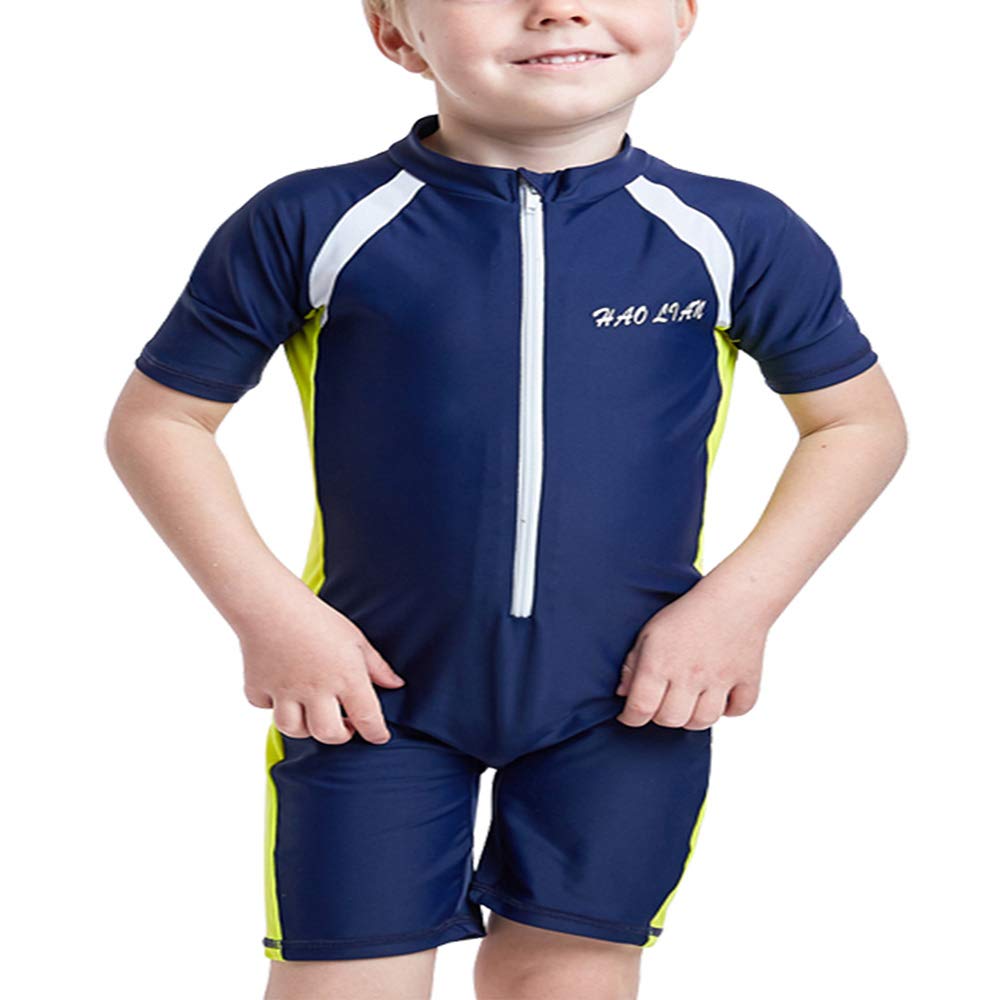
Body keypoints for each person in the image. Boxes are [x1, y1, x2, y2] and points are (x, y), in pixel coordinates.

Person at [105, 1, 907, 998]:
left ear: (683, 11)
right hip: (367, 694)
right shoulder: (312, 220)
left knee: (568, 979)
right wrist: (270, 617)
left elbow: (857, 425)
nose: (556, 6)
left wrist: (738, 609)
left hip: (632, 698)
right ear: (395, 31)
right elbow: (160, 423)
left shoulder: (734, 232)